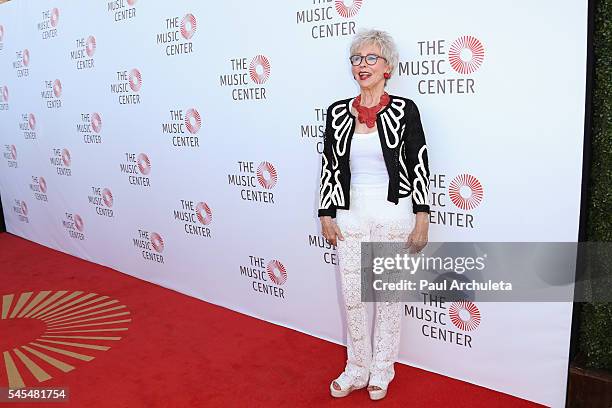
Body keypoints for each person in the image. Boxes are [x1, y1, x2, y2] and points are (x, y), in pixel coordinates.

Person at [317, 29, 431, 401]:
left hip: (393, 215)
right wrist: (326, 213)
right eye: (356, 59)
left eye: (371, 59)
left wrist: (422, 216)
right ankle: (356, 367)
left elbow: (419, 163)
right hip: (350, 217)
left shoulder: (404, 109)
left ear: (388, 67)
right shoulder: (337, 112)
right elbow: (330, 166)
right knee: (353, 297)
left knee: (388, 298)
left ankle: (383, 368)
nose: (362, 66)